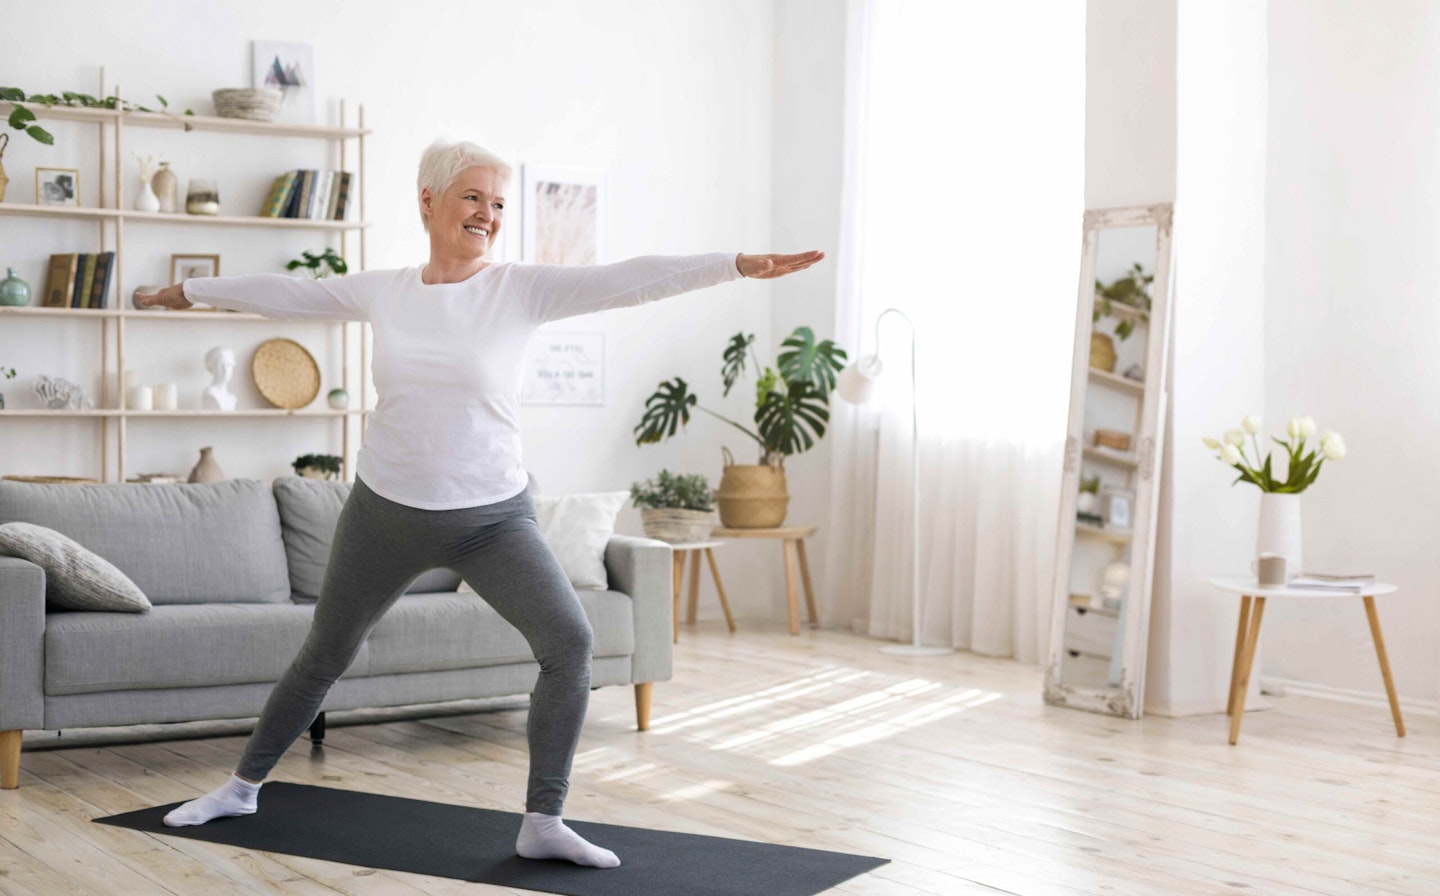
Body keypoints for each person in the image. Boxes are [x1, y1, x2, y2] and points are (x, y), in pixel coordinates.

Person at [137, 139, 823, 869]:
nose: (488, 214)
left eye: (498, 204)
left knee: (570, 645)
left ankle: (543, 820)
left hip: (492, 519)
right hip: (383, 514)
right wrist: (188, 293)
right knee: (323, 657)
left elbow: (628, 281)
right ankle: (241, 788)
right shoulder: (386, 290)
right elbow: (288, 293)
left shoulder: (519, 288)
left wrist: (736, 265)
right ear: (428, 201)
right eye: (473, 197)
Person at [201, 346, 237, 411]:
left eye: (228, 365)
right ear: (212, 368)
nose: (225, 370)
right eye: (221, 365)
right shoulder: (210, 393)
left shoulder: (232, 397)